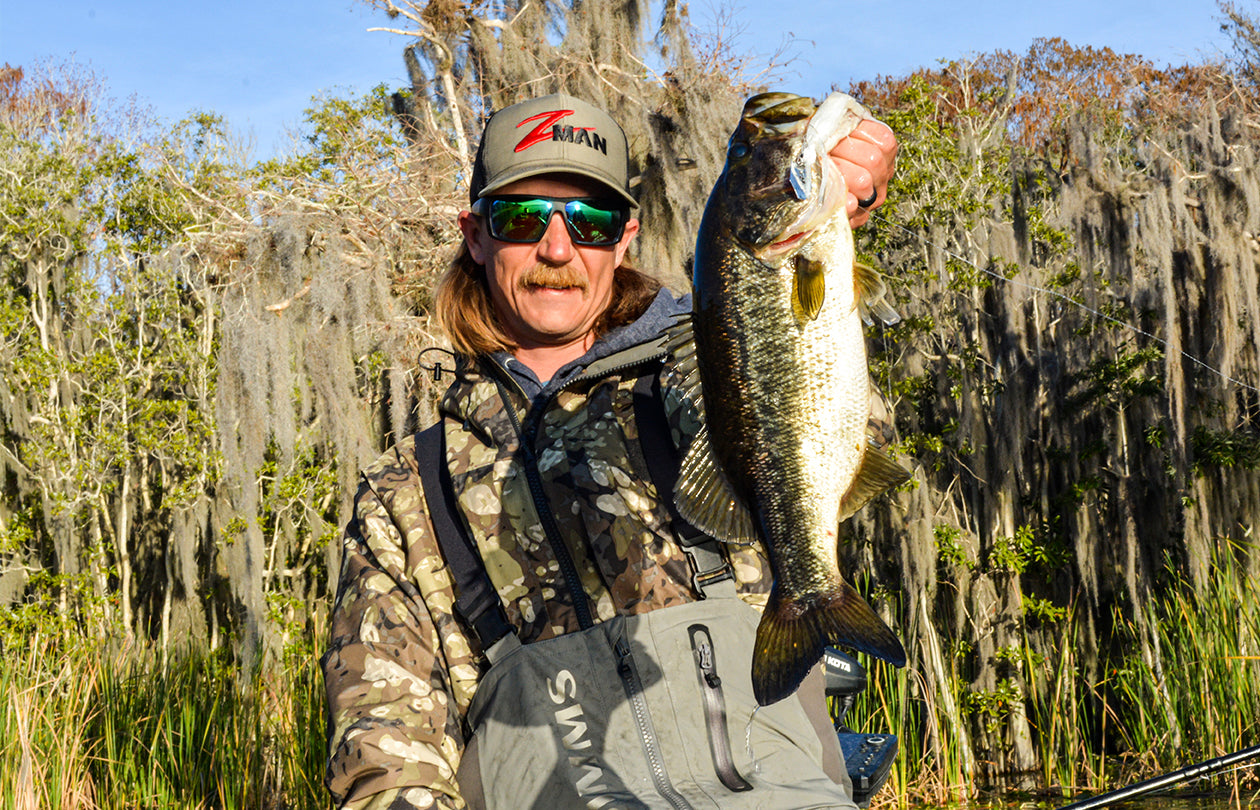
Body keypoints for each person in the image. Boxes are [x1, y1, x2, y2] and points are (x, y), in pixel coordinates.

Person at [323, 92, 897, 810]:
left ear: (623, 239)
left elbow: (845, 429)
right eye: (523, 217)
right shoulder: (406, 491)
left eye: (588, 221)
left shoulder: (698, 375)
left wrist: (841, 198)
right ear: (475, 236)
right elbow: (384, 747)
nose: (557, 249)